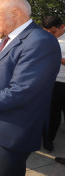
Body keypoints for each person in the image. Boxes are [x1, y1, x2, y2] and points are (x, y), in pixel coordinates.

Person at [0, 0, 61, 175]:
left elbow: (22, 90)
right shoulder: (11, 38)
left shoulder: (40, 41)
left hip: (14, 128)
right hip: (2, 122)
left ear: (15, 13)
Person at [42, 16, 65, 152]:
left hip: (62, 82)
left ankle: (49, 138)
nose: (50, 35)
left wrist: (55, 56)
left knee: (56, 113)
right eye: (47, 32)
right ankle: (46, 136)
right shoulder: (47, 38)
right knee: (50, 111)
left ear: (62, 27)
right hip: (49, 81)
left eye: (53, 32)